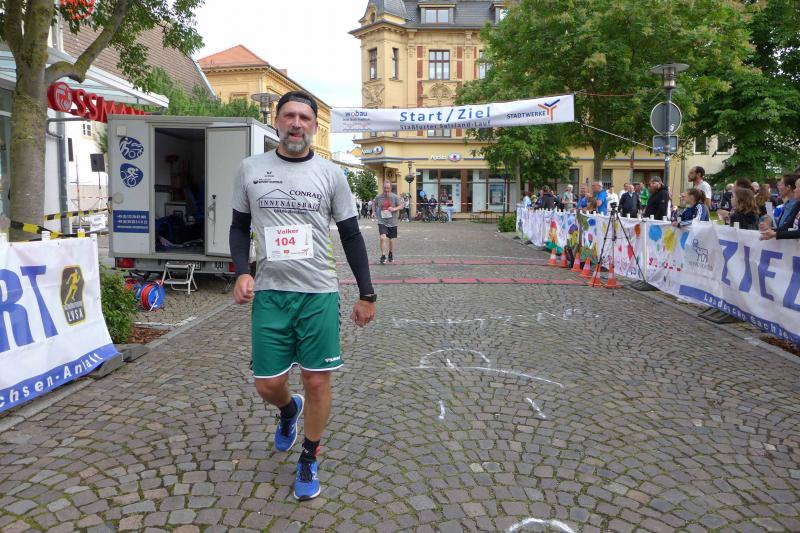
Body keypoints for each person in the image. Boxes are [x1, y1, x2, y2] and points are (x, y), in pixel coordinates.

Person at [229, 90, 376, 501]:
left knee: (316, 380)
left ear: (314, 126)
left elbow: (351, 235)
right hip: (270, 292)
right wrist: (241, 271)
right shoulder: (250, 168)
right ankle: (287, 409)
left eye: (305, 118)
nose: (297, 124)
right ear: (277, 121)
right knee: (268, 385)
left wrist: (367, 293)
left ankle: (309, 456)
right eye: (290, 116)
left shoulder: (331, 174)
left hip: (318, 293)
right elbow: (239, 227)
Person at [374, 180, 404, 264]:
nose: (386, 189)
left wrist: (394, 209)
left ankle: (390, 253)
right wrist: (373, 212)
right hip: (382, 221)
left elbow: (401, 206)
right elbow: (374, 203)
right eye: (384, 188)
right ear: (382, 187)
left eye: (387, 188)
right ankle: (383, 256)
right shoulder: (378, 197)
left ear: (390, 188)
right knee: (382, 237)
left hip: (392, 221)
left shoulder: (395, 197)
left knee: (391, 239)